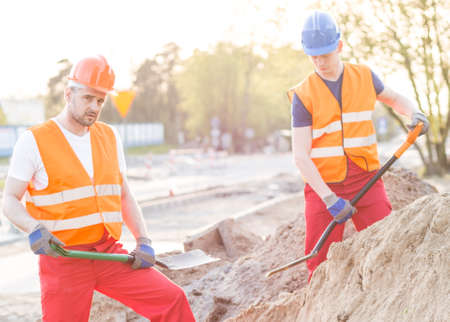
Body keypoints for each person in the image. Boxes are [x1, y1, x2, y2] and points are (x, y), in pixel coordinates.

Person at [2, 55, 196, 321]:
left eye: (101, 100)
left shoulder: (109, 137)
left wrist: (143, 240)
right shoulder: (34, 141)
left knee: (172, 300)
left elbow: (124, 194)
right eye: (88, 98)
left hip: (108, 254)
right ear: (68, 94)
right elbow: (10, 200)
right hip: (64, 259)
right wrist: (34, 229)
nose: (94, 106)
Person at [288, 11, 429, 281]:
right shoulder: (303, 95)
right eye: (313, 56)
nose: (319, 62)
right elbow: (300, 156)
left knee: (388, 245)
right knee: (319, 265)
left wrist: (415, 113)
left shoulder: (364, 76)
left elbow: (395, 98)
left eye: (325, 54)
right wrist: (329, 199)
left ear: (339, 46)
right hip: (323, 187)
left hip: (366, 178)